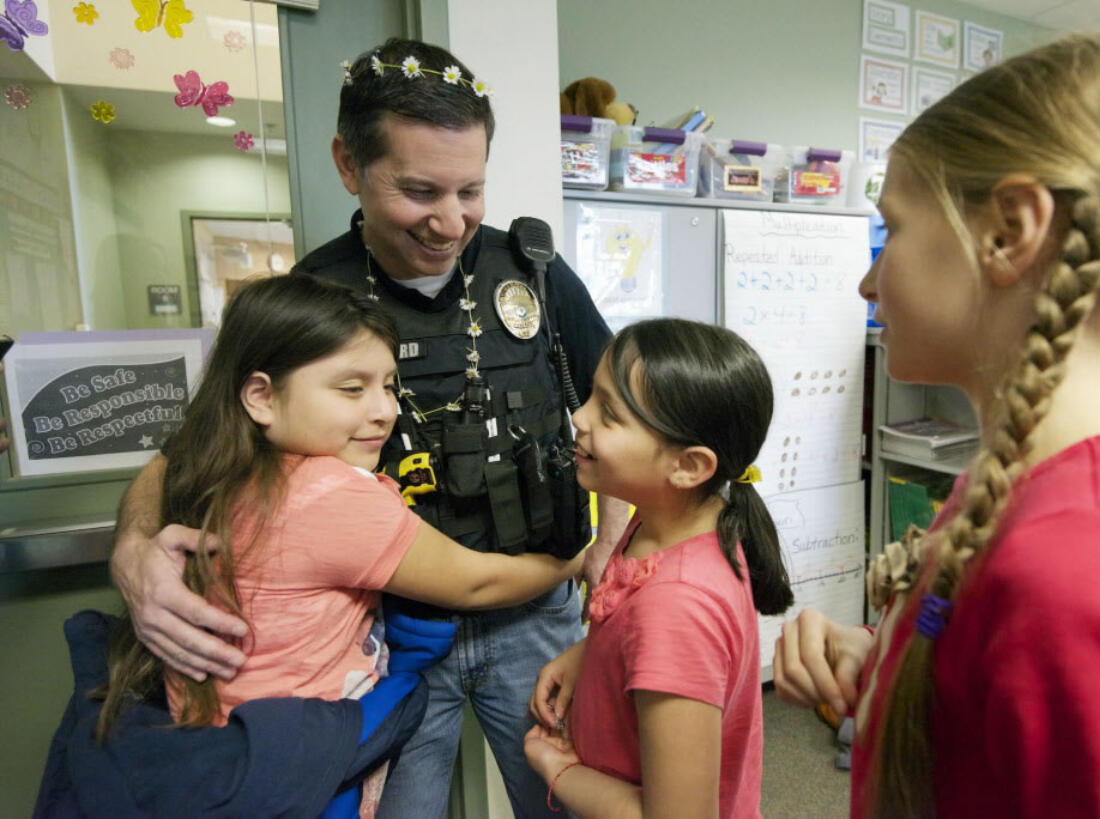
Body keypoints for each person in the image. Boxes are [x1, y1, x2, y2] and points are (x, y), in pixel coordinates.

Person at [108, 37, 629, 817]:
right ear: (348, 165)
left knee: (569, 802)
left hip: (539, 625)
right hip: (386, 641)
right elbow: (185, 455)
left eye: (471, 190)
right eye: (420, 191)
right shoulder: (311, 293)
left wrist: (612, 546)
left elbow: (624, 409)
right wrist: (132, 551)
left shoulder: (535, 274)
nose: (451, 222)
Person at [772, 33, 1100, 818]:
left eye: (896, 228)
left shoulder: (1092, 570)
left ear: (1011, 230)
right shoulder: (1016, 486)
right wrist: (891, 669)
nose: (867, 281)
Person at [95, 275, 580, 811]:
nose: (385, 410)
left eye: (390, 385)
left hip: (226, 756)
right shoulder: (328, 494)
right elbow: (475, 581)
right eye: (352, 389)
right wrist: (575, 560)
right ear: (261, 396)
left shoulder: (220, 470)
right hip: (301, 768)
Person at [523, 319, 794, 818]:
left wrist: (556, 769)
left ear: (688, 466)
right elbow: (631, 617)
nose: (579, 417)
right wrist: (588, 653)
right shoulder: (665, 523)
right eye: (589, 398)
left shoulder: (678, 604)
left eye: (609, 413)